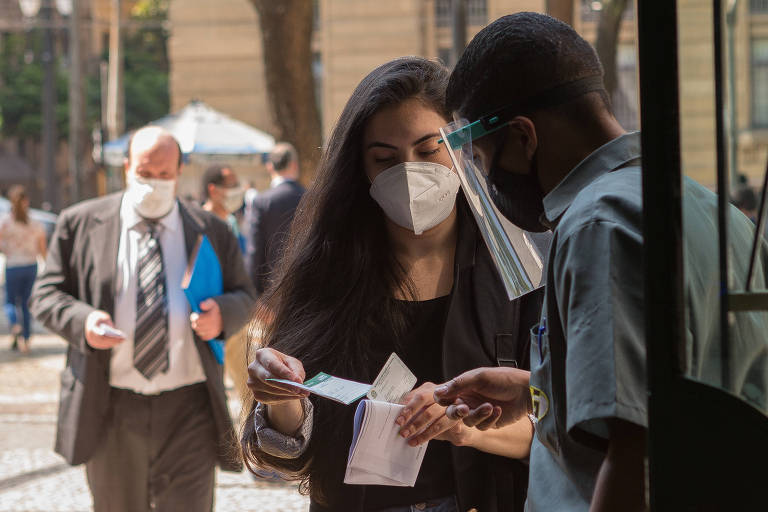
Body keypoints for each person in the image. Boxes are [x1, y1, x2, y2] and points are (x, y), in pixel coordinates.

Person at [430, 12, 768, 512]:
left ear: (523, 138)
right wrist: (541, 391)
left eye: (482, 160)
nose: (489, 178)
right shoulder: (704, 206)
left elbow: (635, 449)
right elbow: (684, 386)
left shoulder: (597, 226)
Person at [240, 57, 546, 512]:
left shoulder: (522, 267)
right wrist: (281, 400)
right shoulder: (329, 272)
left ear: (463, 148)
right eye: (385, 158)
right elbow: (289, 454)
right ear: (359, 169)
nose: (409, 170)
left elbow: (555, 428)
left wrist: (462, 427)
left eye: (429, 150)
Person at [30, 126, 256, 512]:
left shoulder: (211, 229)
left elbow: (245, 296)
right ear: (127, 168)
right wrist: (84, 321)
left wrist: (223, 315)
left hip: (190, 410)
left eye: (165, 175)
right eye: (145, 173)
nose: (154, 183)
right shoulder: (80, 223)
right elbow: (45, 295)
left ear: (180, 172)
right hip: (112, 408)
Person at [244, 142, 305, 294]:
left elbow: (254, 251)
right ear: (294, 165)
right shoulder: (312, 197)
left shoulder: (262, 201)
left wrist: (253, 293)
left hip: (272, 290)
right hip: (308, 286)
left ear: (270, 167)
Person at [0, 185, 47, 353]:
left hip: (13, 265)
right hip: (30, 266)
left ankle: (15, 325)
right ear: (26, 201)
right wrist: (47, 265)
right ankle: (26, 339)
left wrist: (7, 251)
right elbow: (42, 248)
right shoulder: (35, 223)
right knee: (27, 303)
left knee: (11, 302)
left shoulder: (5, 222)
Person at [201, 164, 246, 250]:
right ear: (213, 190)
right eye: (231, 186)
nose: (237, 190)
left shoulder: (231, 222)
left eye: (237, 185)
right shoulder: (199, 223)